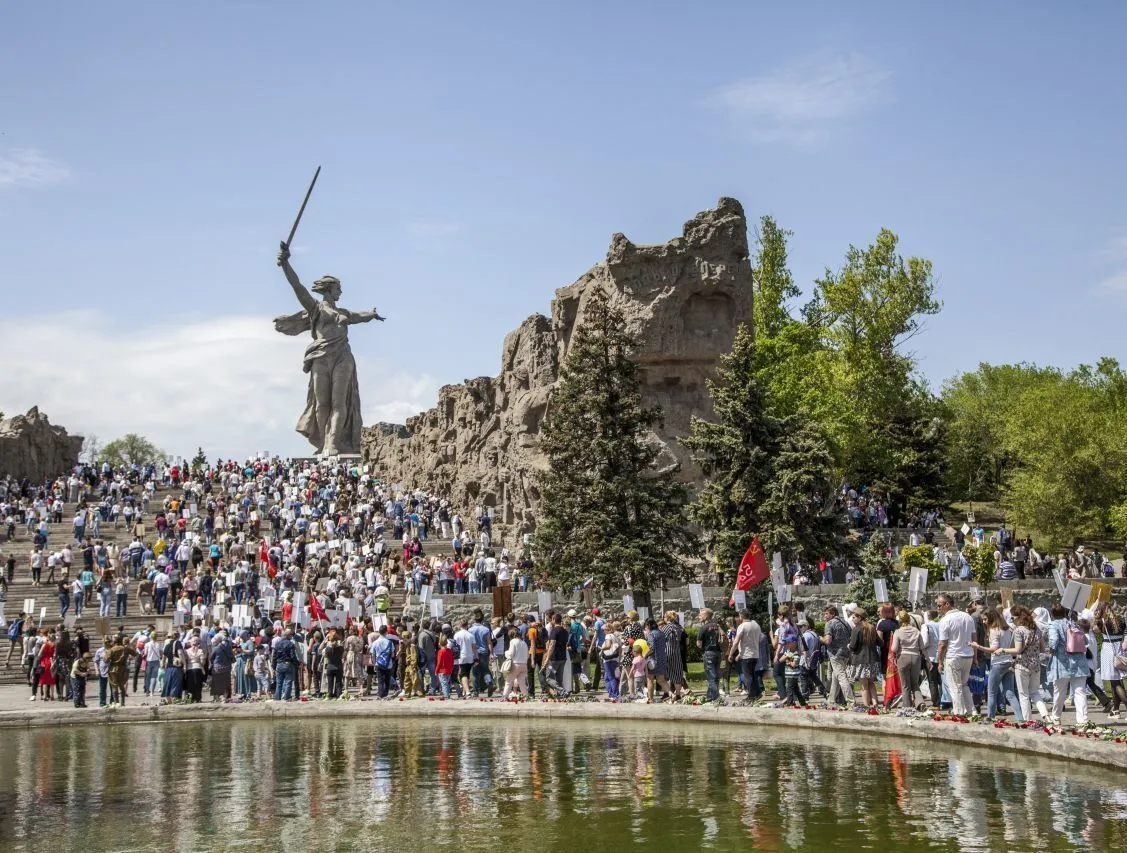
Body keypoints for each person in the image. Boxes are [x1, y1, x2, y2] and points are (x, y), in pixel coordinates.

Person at [998, 604, 1049, 722]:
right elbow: (1042, 648)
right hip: (1036, 665)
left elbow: (1018, 650)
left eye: (1012, 618)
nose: (1011, 620)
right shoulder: (1036, 628)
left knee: (1023, 694)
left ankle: (1028, 720)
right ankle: (1046, 715)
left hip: (1022, 665)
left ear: (1019, 617)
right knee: (1035, 693)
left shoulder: (1019, 630)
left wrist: (1003, 650)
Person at [971, 608, 1022, 721]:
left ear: (991, 617)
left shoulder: (994, 630)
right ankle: (1020, 718)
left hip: (998, 663)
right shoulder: (1008, 629)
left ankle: (990, 717)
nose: (983, 622)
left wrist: (977, 646)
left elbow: (994, 649)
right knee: (1010, 693)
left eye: (985, 619)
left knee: (992, 692)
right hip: (1008, 662)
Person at [1046, 604, 1089, 725]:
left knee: (1059, 692)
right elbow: (1085, 641)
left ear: (1052, 614)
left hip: (1062, 662)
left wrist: (1051, 649)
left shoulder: (1054, 625)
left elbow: (1053, 642)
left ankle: (1056, 717)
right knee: (1080, 691)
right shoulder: (1074, 623)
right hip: (1079, 662)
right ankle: (1083, 720)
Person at [936, 594, 976, 717]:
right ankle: (971, 710)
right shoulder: (967, 617)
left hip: (954, 656)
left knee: (955, 687)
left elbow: (942, 644)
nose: (938, 609)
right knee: (964, 685)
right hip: (968, 655)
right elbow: (974, 637)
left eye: (939, 605)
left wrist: (940, 661)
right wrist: (974, 656)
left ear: (947, 604)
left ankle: (959, 712)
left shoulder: (945, 620)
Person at [1095, 602, 1127, 717]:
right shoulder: (1121, 620)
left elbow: (1095, 630)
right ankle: (1116, 710)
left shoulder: (1101, 622)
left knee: (1114, 682)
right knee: (1117, 681)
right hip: (1119, 648)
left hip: (1108, 650)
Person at [847, 608, 881, 708]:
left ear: (859, 617)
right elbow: (880, 642)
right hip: (872, 660)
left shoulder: (856, 629)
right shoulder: (871, 627)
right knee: (871, 682)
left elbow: (853, 646)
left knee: (863, 685)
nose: (852, 619)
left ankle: (866, 705)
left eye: (854, 617)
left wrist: (848, 645)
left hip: (861, 660)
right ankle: (875, 703)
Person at [822, 605, 855, 707]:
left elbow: (827, 640)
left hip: (835, 654)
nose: (825, 616)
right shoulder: (845, 622)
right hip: (846, 652)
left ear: (833, 614)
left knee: (841, 676)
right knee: (836, 676)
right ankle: (831, 700)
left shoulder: (830, 623)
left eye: (826, 614)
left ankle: (851, 701)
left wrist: (820, 639)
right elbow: (851, 637)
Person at [891, 609, 924, 709]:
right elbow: (922, 647)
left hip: (903, 657)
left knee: (905, 685)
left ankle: (907, 707)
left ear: (900, 621)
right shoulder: (917, 631)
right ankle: (920, 702)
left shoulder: (898, 632)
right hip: (916, 657)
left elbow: (894, 648)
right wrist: (928, 660)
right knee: (915, 682)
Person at [728, 610, 762, 703]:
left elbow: (736, 642)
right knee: (753, 675)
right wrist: (739, 654)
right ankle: (758, 693)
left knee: (748, 676)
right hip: (755, 654)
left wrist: (731, 653)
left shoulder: (742, 626)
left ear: (741, 616)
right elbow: (758, 640)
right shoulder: (756, 625)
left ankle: (751, 696)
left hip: (747, 655)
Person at [696, 609, 723, 702]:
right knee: (715, 676)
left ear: (706, 616)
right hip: (718, 653)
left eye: (700, 615)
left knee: (711, 677)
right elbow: (721, 638)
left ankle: (716, 697)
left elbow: (698, 644)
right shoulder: (716, 626)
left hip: (709, 653)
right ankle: (710, 696)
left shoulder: (703, 628)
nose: (699, 617)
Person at [501, 627, 528, 700]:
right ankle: (526, 696)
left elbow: (511, 654)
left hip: (516, 664)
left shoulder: (513, 641)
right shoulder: (524, 643)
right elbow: (527, 655)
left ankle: (504, 697)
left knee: (508, 681)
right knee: (522, 683)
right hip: (524, 664)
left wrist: (506, 652)